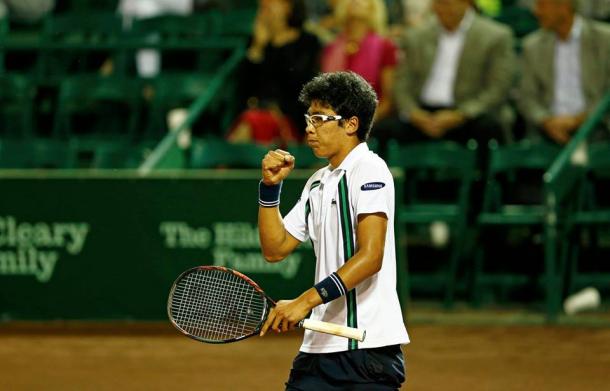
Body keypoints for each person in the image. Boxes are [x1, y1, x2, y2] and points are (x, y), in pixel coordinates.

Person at [257, 71, 409, 390]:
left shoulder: (370, 169)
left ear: (350, 124)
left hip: (366, 352)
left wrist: (305, 301)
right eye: (308, 118)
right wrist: (270, 189)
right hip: (318, 350)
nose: (309, 127)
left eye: (319, 118)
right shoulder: (318, 183)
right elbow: (275, 249)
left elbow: (371, 257)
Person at [374, 0, 516, 155]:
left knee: (489, 127)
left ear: (467, 4)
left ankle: (483, 178)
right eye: (439, 3)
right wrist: (413, 113)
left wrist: (461, 115)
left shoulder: (495, 36)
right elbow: (402, 83)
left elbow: (498, 88)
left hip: (468, 114)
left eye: (449, 3)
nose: (443, 9)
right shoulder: (417, 35)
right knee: (383, 130)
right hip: (423, 113)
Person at [228, 0, 321, 146]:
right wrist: (258, 48)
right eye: (263, 6)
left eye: (272, 4)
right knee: (250, 120)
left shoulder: (308, 42)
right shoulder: (256, 42)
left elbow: (300, 84)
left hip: (290, 117)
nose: (266, 8)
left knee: (250, 124)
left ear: (289, 7)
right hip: (255, 113)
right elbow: (243, 90)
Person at [518, 0, 610, 145]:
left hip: (597, 128)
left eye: (542, 5)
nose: (536, 12)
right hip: (547, 133)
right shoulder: (532, 46)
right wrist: (547, 121)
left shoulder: (605, 40)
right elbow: (526, 96)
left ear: (563, 6)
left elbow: (607, 95)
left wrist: (579, 120)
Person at [321, 0, 398, 122]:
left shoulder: (385, 46)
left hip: (371, 119)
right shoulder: (332, 48)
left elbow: (388, 99)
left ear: (373, 8)